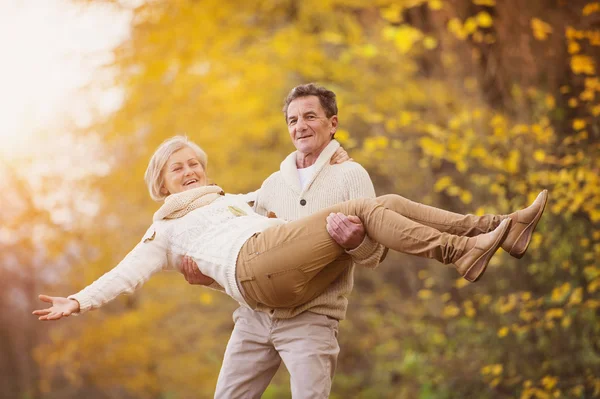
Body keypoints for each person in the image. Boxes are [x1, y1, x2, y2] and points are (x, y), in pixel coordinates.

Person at [33, 134, 547, 319]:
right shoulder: (164, 229)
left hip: (279, 267)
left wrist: (327, 155)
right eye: (178, 168)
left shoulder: (236, 200)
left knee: (377, 200)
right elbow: (125, 274)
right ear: (162, 185)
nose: (190, 171)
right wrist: (77, 300)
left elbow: (294, 182)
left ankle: (496, 228)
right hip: (255, 271)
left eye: (194, 163)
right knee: (363, 208)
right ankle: (460, 250)